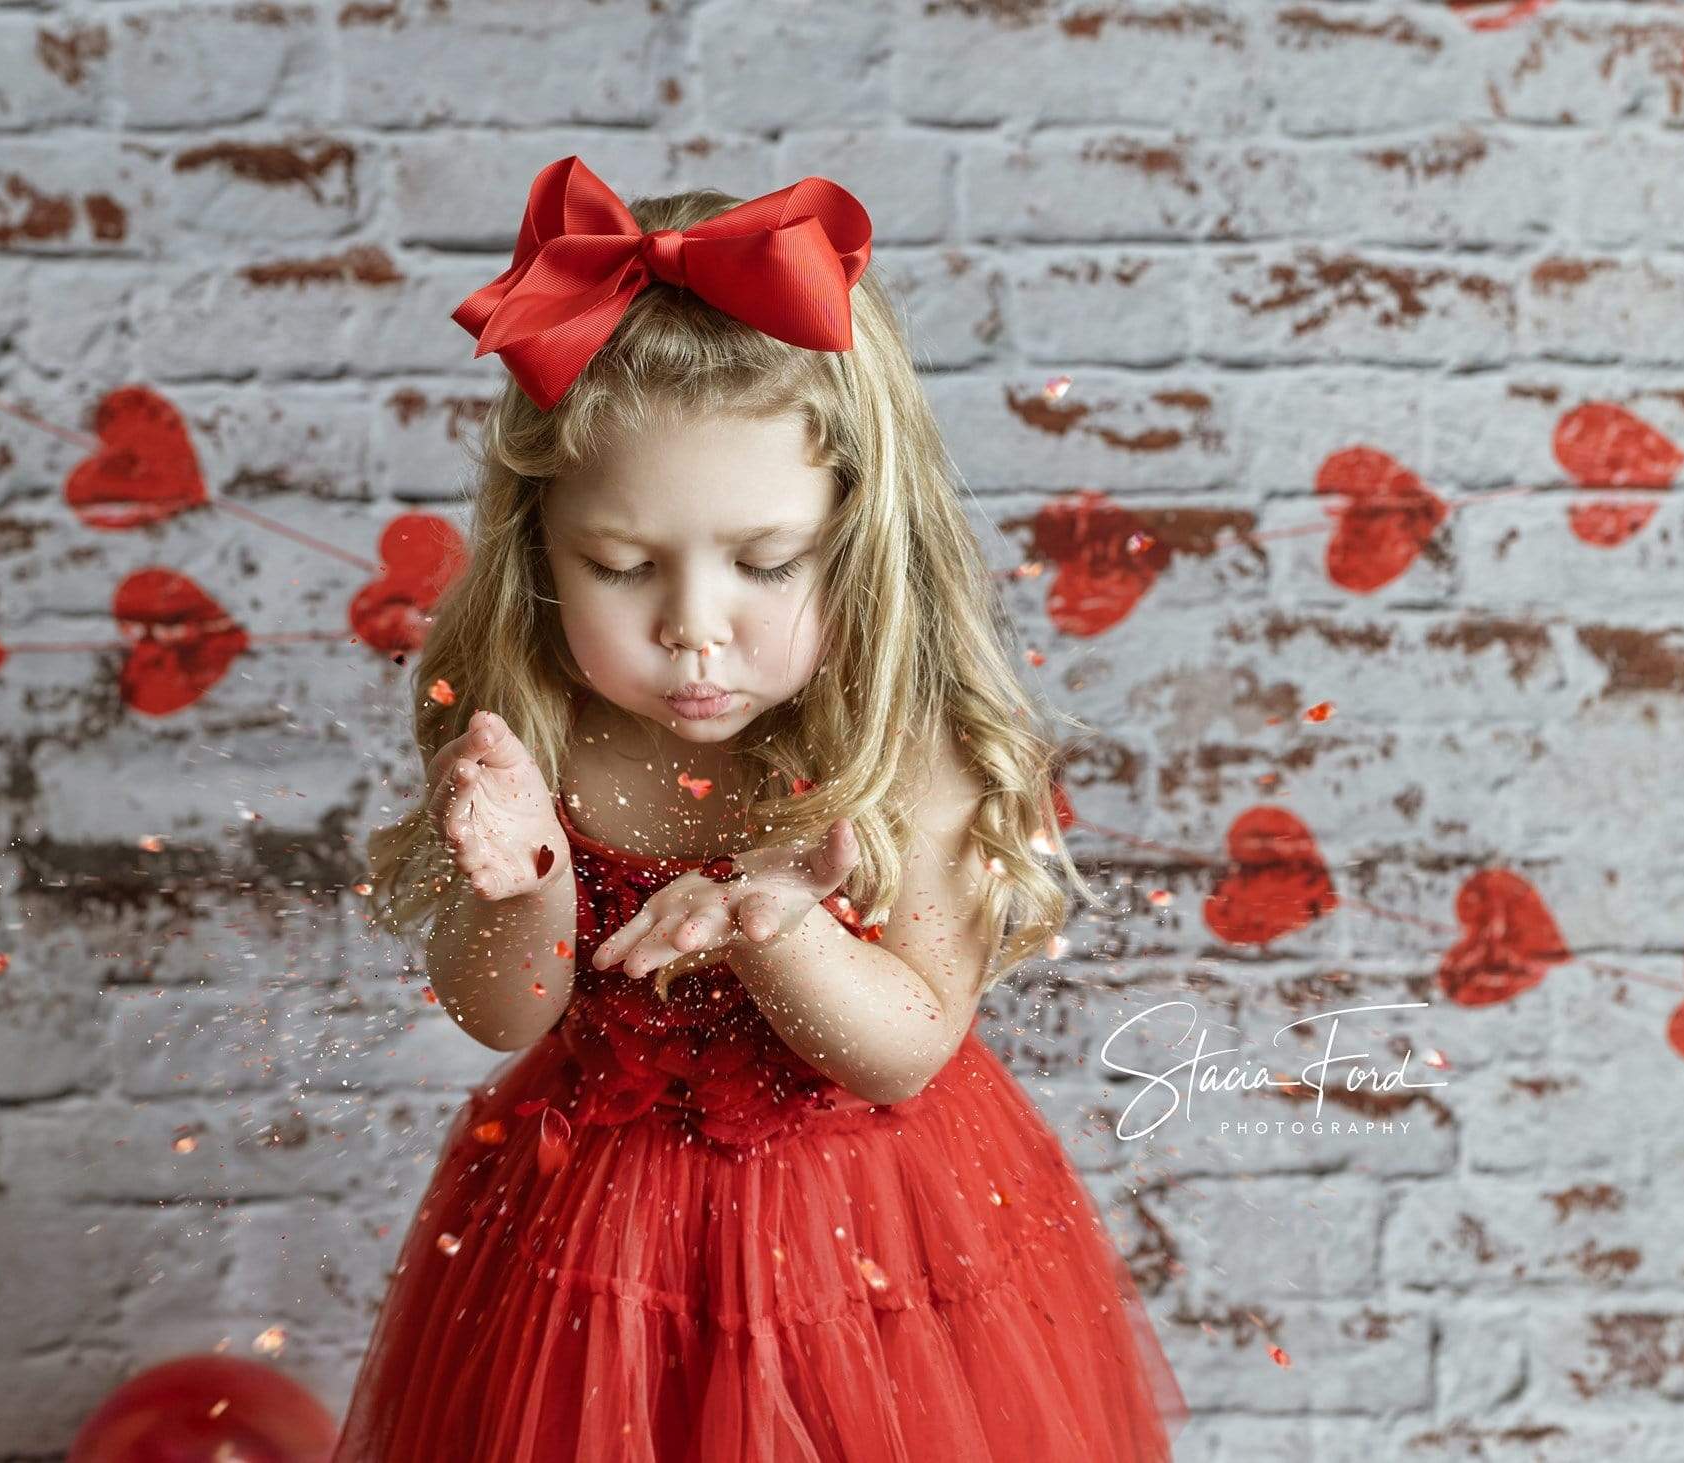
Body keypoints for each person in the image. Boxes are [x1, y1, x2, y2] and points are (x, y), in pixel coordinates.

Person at [331, 154, 1191, 1462]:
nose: (693, 632)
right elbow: (500, 1013)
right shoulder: (547, 734)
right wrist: (526, 884)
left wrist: (779, 929)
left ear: (860, 529)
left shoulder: (900, 748)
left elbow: (904, 1048)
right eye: (620, 566)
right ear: (540, 552)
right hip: (588, 1246)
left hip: (872, 1246)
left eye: (767, 562)